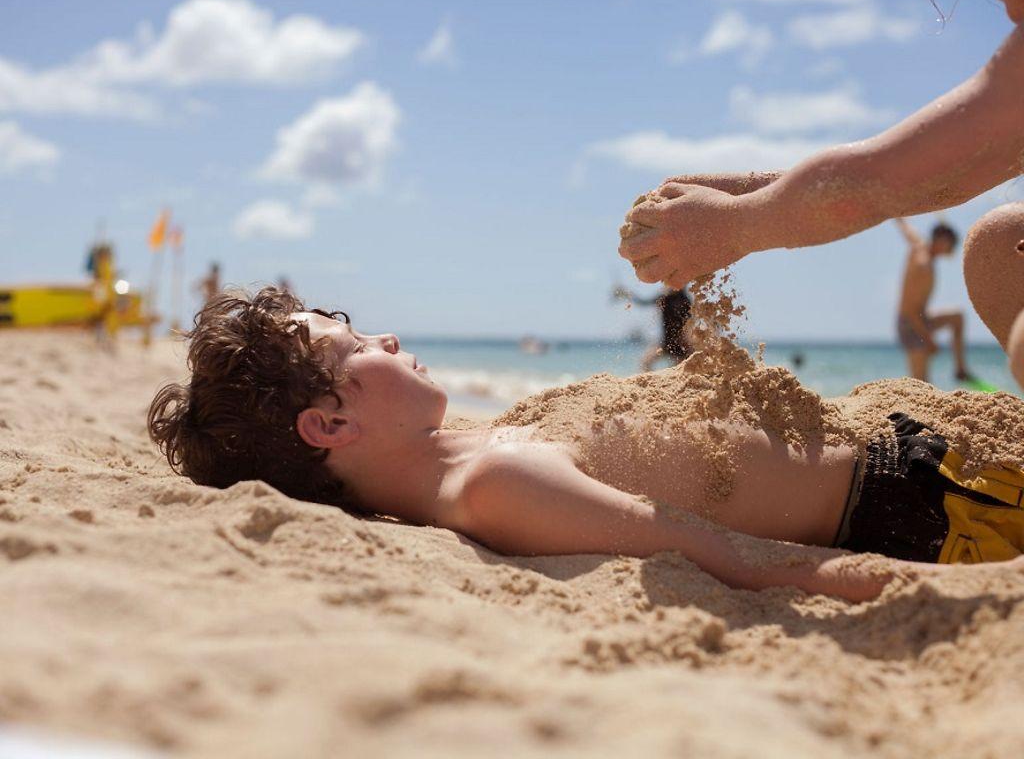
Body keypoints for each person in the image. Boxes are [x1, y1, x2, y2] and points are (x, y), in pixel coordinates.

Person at [148, 288, 1024, 605]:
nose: (383, 341)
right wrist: (923, 584)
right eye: (359, 348)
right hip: (933, 505)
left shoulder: (470, 446)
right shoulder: (493, 486)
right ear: (332, 424)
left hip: (909, 452)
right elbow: (719, 554)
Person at [618, 0, 1024, 387]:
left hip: (913, 323)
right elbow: (932, 179)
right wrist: (742, 194)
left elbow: (877, 182)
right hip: (912, 321)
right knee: (998, 242)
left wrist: (731, 224)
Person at [894, 219, 971, 383]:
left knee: (957, 317)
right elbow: (910, 311)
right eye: (951, 244)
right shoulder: (924, 267)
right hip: (911, 326)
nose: (952, 250)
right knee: (921, 384)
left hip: (921, 318)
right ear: (942, 241)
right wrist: (929, 340)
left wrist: (897, 215)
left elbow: (906, 228)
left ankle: (960, 369)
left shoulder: (920, 244)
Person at [614, 284, 693, 370]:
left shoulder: (684, 301)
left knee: (679, 370)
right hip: (665, 343)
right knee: (645, 363)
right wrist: (627, 294)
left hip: (681, 344)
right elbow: (643, 302)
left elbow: (690, 323)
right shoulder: (665, 297)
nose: (666, 285)